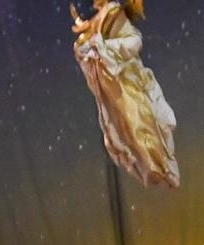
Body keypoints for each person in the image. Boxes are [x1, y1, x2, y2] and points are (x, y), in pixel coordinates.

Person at [70, 0, 179, 189]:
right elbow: (86, 52)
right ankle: (152, 165)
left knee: (139, 120)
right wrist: (89, 49)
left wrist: (102, 48)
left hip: (127, 81)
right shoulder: (96, 21)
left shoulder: (113, 15)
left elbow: (133, 41)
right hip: (112, 86)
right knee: (123, 130)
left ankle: (161, 164)